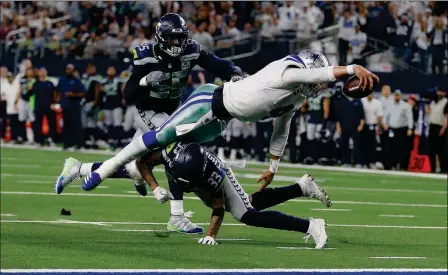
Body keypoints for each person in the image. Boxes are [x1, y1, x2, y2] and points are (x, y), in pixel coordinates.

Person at [79, 49, 378, 193]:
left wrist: (273, 166)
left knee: (172, 154)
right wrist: (353, 67)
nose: (319, 89)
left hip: (222, 121)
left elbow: (281, 129)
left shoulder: (296, 95)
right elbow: (317, 76)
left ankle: (140, 172)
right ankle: (102, 171)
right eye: (319, 79)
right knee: (160, 137)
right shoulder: (288, 72)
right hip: (209, 100)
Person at [57, 13, 243, 235]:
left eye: (179, 38)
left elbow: (216, 64)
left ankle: (78, 169)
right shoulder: (146, 55)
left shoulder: (191, 50)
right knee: (176, 150)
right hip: (148, 110)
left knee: (137, 167)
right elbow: (129, 94)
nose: (176, 43)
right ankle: (176, 216)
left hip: (174, 109)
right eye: (171, 39)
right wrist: (145, 80)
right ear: (160, 37)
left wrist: (234, 73)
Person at [56, 141, 332, 248]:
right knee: (134, 169)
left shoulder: (211, 175)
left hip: (221, 174)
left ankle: (310, 224)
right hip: (178, 169)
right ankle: (302, 188)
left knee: (246, 213)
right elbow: (142, 163)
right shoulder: (169, 153)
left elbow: (218, 206)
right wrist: (155, 187)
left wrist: (211, 234)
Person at [56, 64, 86, 150]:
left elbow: (83, 93)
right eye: (67, 69)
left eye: (70, 69)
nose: (68, 71)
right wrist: (57, 99)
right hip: (65, 106)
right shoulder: (62, 80)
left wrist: (73, 94)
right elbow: (57, 90)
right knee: (66, 126)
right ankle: (67, 144)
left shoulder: (76, 80)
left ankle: (78, 145)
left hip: (75, 106)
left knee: (76, 126)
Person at [383, 90, 414, 170]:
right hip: (391, 129)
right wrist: (385, 123)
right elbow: (386, 116)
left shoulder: (406, 106)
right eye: (396, 95)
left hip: (402, 129)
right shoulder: (390, 105)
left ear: (401, 96)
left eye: (398, 95)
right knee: (391, 148)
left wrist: (410, 128)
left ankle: (402, 166)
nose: (397, 97)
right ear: (394, 96)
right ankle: (391, 165)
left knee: (402, 149)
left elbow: (410, 118)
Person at [335, 94, 365, 167]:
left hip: (356, 127)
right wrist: (338, 127)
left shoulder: (358, 101)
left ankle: (357, 162)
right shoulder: (342, 102)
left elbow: (362, 115)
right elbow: (338, 117)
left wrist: (361, 125)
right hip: (344, 126)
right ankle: (345, 162)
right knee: (344, 144)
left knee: (357, 145)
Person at [30, 67, 57, 146]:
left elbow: (54, 94)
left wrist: (54, 103)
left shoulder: (50, 83)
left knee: (52, 124)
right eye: (41, 71)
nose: (42, 73)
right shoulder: (35, 83)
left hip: (49, 106)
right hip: (38, 107)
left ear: (46, 73)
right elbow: (31, 94)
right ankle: (38, 141)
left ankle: (51, 139)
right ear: (38, 73)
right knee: (37, 125)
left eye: (44, 71)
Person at [101, 66, 125, 148]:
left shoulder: (119, 80)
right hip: (108, 104)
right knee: (109, 123)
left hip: (117, 104)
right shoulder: (104, 81)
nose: (111, 72)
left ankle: (118, 140)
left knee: (117, 123)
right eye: (109, 70)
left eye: (112, 70)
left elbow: (122, 90)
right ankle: (111, 140)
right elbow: (101, 92)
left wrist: (123, 99)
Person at [426, 87, 447, 172]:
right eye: (438, 91)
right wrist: (426, 105)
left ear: (444, 93)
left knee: (441, 150)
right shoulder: (433, 102)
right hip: (432, 126)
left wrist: (444, 128)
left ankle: (443, 169)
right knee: (431, 149)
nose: (439, 93)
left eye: (441, 92)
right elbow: (428, 114)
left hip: (440, 127)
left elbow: (447, 116)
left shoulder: (446, 102)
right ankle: (433, 168)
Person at [361, 93, 383, 168]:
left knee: (372, 145)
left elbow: (379, 116)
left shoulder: (377, 103)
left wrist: (378, 128)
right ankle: (363, 162)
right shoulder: (362, 101)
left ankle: (372, 162)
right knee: (363, 145)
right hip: (363, 125)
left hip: (373, 126)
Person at [14, 67, 36, 143]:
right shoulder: (22, 79)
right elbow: (20, 90)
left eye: (30, 71)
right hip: (23, 101)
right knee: (21, 120)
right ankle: (22, 137)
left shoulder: (34, 80)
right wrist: (16, 101)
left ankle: (34, 138)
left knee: (33, 120)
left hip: (31, 101)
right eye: (28, 71)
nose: (29, 72)